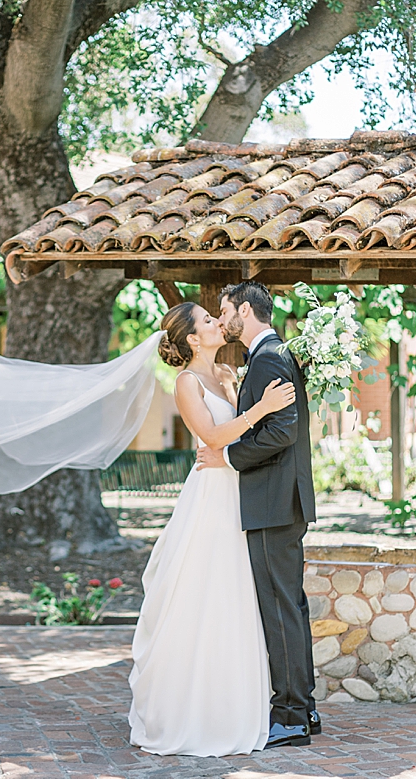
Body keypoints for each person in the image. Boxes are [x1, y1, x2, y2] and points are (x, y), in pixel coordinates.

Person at [128, 301, 297, 757]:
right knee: (204, 593)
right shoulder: (186, 383)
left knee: (237, 596)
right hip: (210, 496)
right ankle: (192, 711)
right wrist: (261, 408)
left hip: (238, 489)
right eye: (207, 320)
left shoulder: (227, 374)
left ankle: (233, 706)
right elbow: (213, 435)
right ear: (191, 339)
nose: (216, 323)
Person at [196, 280, 319, 748]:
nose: (221, 318)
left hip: (272, 501)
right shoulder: (271, 355)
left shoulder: (268, 357)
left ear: (244, 311)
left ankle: (288, 715)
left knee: (280, 607)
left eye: (224, 310)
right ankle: (302, 709)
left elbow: (281, 433)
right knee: (290, 605)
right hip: (278, 500)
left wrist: (226, 458)